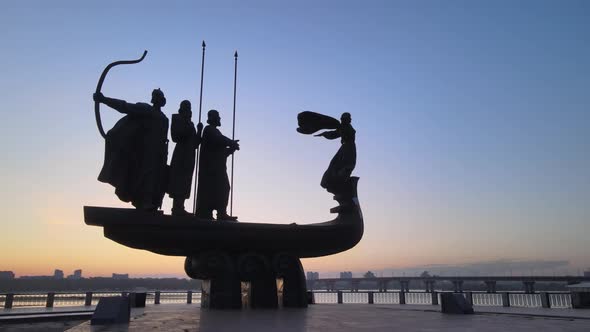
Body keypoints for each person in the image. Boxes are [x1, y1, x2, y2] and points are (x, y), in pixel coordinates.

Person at [93, 89, 169, 211]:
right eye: (155, 96)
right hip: (144, 151)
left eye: (159, 97)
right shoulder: (146, 109)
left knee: (157, 178)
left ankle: (150, 201)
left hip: (159, 153)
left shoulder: (164, 118)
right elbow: (124, 106)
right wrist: (104, 99)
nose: (157, 99)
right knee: (144, 175)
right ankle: (144, 201)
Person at [195, 110, 240, 221]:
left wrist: (231, 149)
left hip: (217, 169)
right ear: (213, 118)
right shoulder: (209, 129)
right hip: (211, 170)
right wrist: (231, 143)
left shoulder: (216, 131)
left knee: (221, 189)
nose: (220, 119)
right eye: (218, 117)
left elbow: (222, 153)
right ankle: (218, 213)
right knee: (220, 188)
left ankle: (221, 212)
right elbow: (219, 140)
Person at [167, 100, 203, 216]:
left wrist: (199, 130)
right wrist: (189, 129)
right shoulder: (177, 118)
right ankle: (176, 207)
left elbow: (195, 144)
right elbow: (175, 136)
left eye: (190, 108)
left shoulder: (190, 123)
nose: (189, 110)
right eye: (187, 107)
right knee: (178, 179)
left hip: (189, 154)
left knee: (186, 180)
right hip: (181, 153)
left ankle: (180, 206)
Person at [315, 112, 356, 194]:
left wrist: (325, 133)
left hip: (348, 148)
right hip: (345, 148)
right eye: (349, 118)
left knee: (342, 165)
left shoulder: (345, 127)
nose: (350, 119)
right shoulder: (343, 127)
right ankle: (334, 183)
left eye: (349, 118)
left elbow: (335, 133)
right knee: (334, 164)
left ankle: (339, 182)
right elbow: (334, 134)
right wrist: (324, 133)